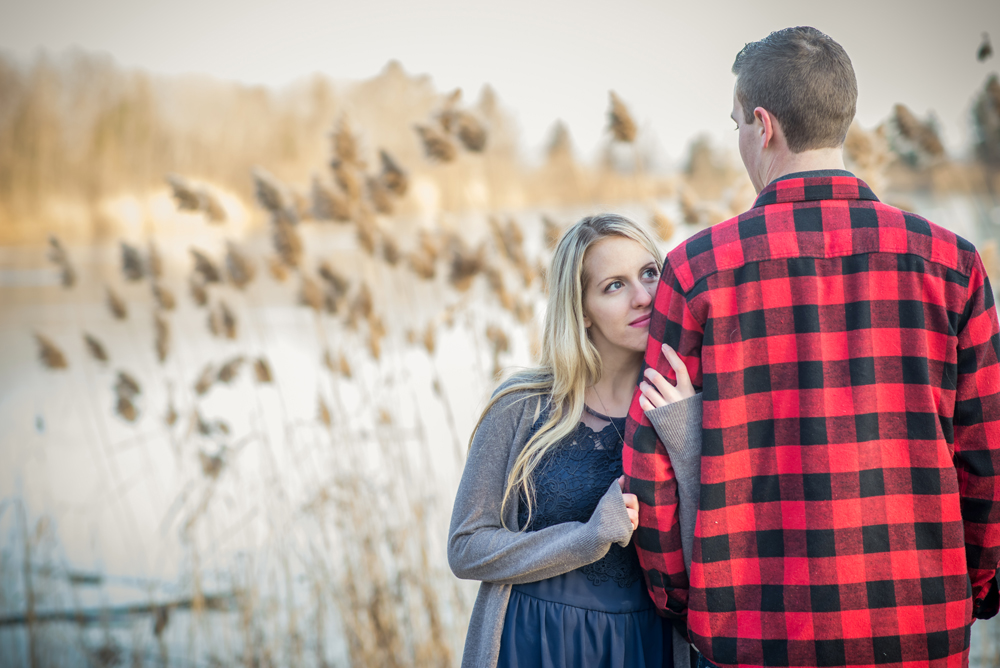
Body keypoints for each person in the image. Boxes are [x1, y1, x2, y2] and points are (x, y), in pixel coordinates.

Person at [623, 26, 1000, 668]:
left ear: (763, 125)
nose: (740, 138)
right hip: (917, 628)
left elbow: (649, 462)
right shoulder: (954, 265)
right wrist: (976, 590)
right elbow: (986, 455)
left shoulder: (695, 271)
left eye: (737, 122)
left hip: (749, 633)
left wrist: (685, 599)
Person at [448, 213, 703, 668]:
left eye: (649, 273)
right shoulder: (521, 406)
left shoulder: (689, 401)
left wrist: (685, 434)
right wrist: (585, 539)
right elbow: (466, 547)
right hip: (533, 641)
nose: (644, 297)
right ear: (581, 310)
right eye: (614, 286)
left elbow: (711, 550)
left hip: (643, 646)